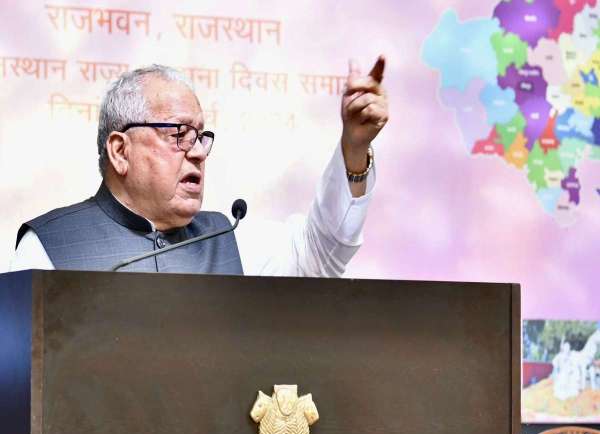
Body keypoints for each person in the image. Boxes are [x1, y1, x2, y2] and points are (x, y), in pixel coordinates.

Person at [10, 57, 388, 276]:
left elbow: (321, 255)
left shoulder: (227, 238)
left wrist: (354, 146)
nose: (197, 152)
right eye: (178, 133)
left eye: (199, 136)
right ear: (120, 151)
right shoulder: (49, 248)